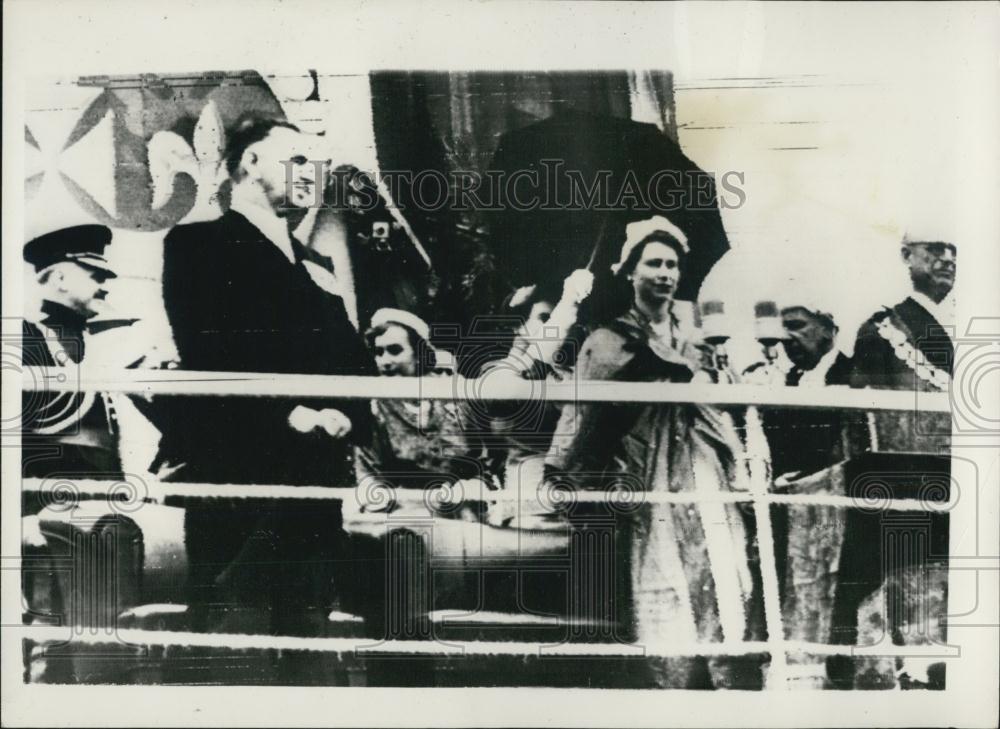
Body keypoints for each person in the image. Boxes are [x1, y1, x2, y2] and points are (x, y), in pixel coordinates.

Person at [151, 116, 376, 639]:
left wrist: (344, 412)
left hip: (315, 476)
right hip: (238, 472)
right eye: (298, 161)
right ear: (250, 163)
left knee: (307, 633)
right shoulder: (198, 244)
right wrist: (289, 413)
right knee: (235, 633)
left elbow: (353, 359)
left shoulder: (315, 262)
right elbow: (207, 351)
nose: (311, 175)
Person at [545, 216, 759, 689]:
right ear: (631, 272)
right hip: (648, 463)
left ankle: (727, 668)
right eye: (655, 262)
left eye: (673, 264)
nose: (666, 272)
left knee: (720, 558)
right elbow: (585, 405)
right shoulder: (611, 336)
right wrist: (564, 468)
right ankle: (673, 674)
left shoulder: (701, 326)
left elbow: (727, 382)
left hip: (702, 457)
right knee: (662, 566)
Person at [844, 232, 955, 689]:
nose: (947, 258)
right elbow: (865, 415)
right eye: (935, 249)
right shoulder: (883, 329)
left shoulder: (971, 324)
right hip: (907, 479)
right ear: (907, 256)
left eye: (953, 250)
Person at [481, 268, 593, 526]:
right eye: (544, 318)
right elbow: (526, 376)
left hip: (579, 502)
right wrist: (565, 309)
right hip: (528, 509)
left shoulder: (576, 374)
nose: (563, 328)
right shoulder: (499, 371)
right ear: (520, 327)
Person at [21, 225, 121, 485]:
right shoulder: (27, 339)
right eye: (96, 276)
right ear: (59, 279)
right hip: (46, 502)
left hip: (100, 497)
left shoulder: (94, 341)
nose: (105, 286)